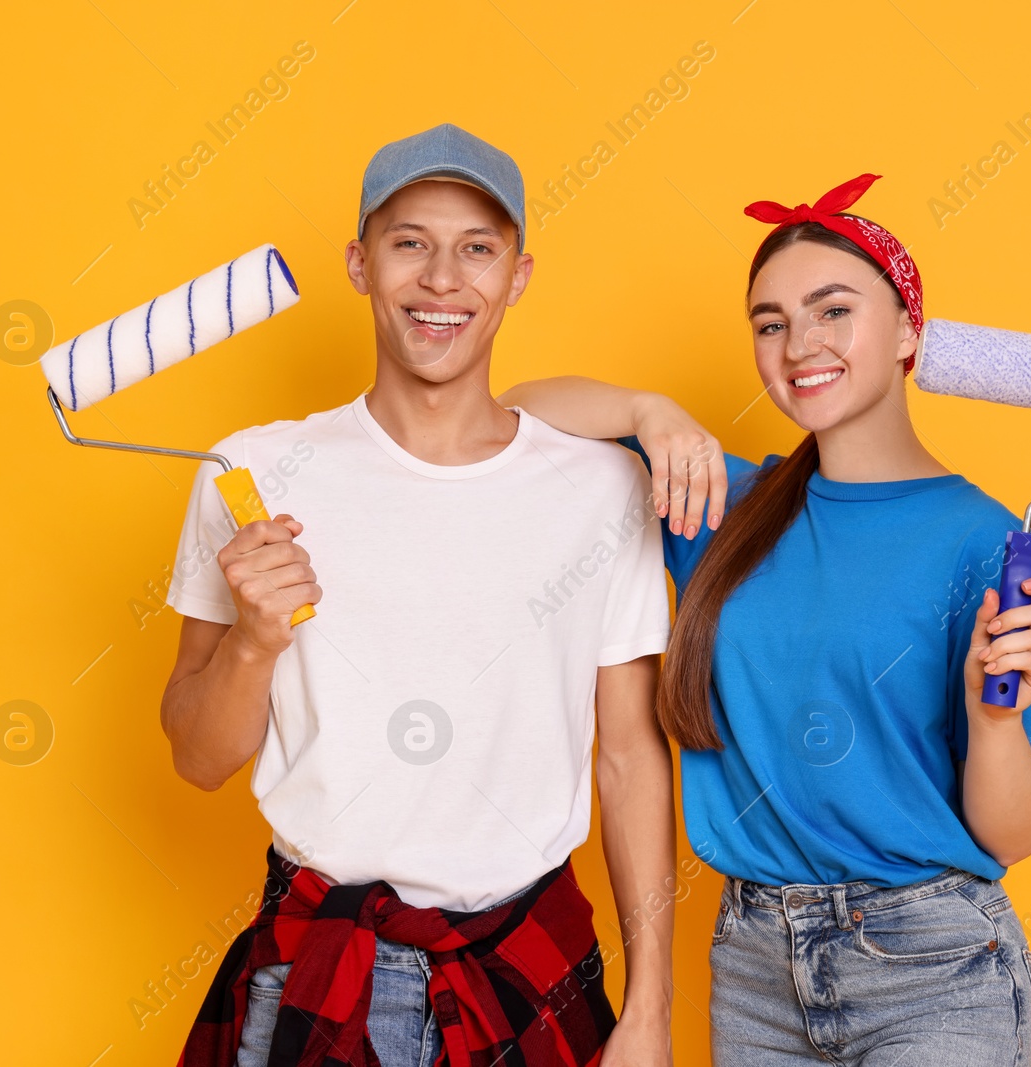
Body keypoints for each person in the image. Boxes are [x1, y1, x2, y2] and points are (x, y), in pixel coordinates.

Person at [499, 173, 1031, 1065]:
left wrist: (994, 721)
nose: (801, 343)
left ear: (910, 329)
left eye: (834, 309)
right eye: (771, 322)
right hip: (757, 963)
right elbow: (520, 411)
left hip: (936, 966)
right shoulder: (723, 502)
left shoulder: (988, 543)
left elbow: (1013, 834)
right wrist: (653, 411)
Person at [160, 123, 676, 1067]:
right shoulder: (251, 474)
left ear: (517, 275)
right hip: (321, 963)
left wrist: (650, 1011)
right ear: (360, 264)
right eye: (410, 244)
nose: (443, 279)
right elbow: (198, 756)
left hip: (531, 964)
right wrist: (252, 645)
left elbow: (632, 758)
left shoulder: (604, 488)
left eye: (477, 249)